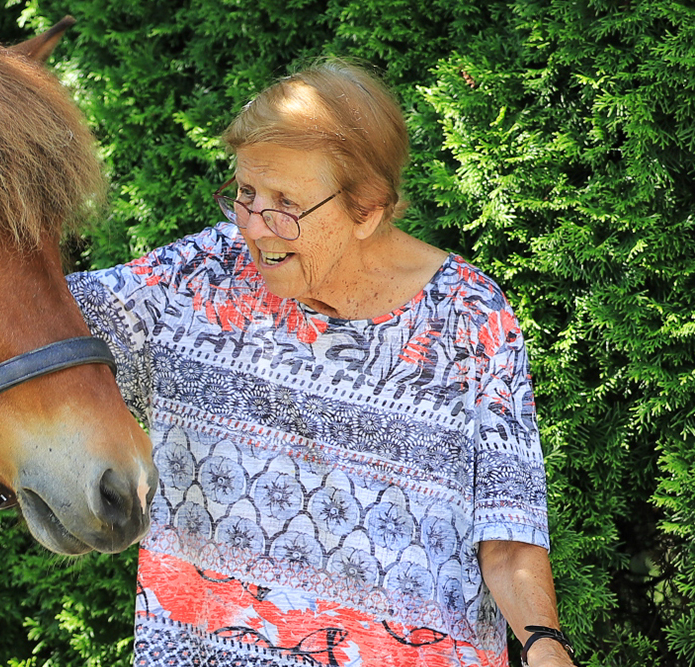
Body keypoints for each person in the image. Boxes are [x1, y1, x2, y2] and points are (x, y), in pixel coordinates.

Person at [68, 58, 578, 667]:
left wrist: (545, 644)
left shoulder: (471, 319)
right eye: (245, 194)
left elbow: (509, 539)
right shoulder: (196, 281)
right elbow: (31, 326)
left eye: (285, 203)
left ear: (366, 210)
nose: (254, 228)